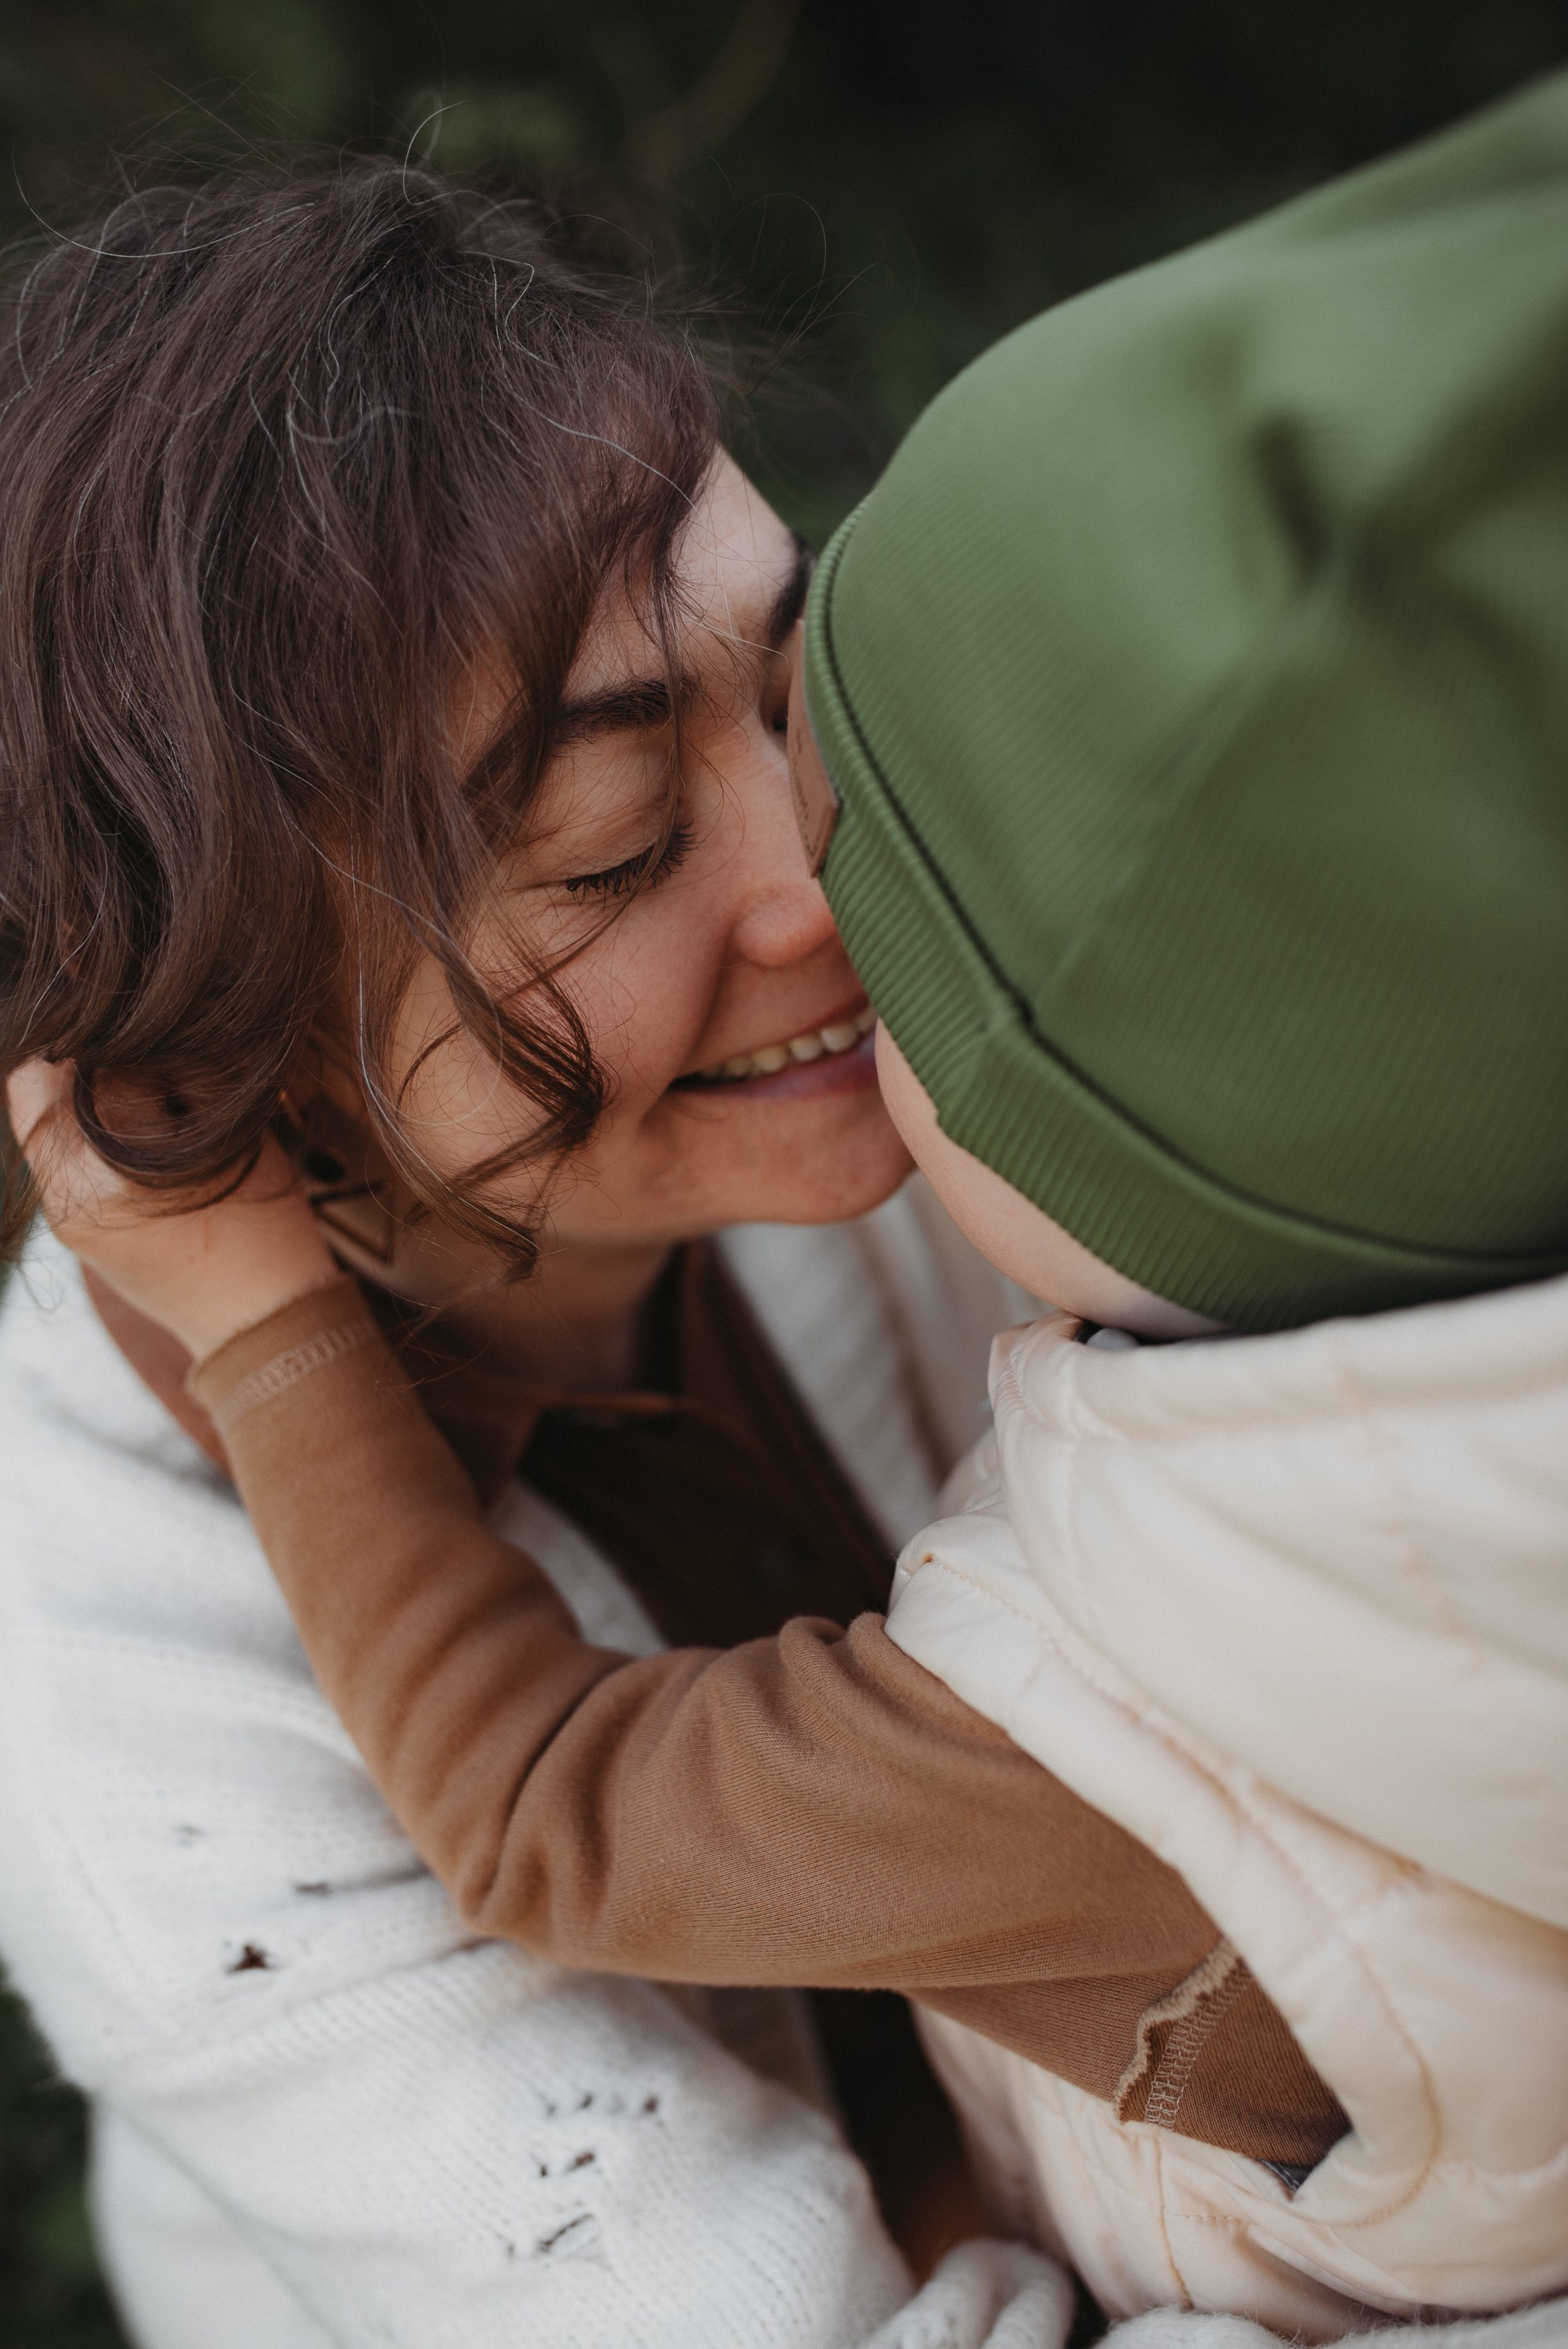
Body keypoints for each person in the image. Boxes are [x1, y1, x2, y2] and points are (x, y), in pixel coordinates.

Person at [14, 67, 1568, 2348]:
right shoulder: (150, 1778)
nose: (824, 882)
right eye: (616, 850)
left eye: (794, 681)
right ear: (197, 1078)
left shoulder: (1024, 1067)